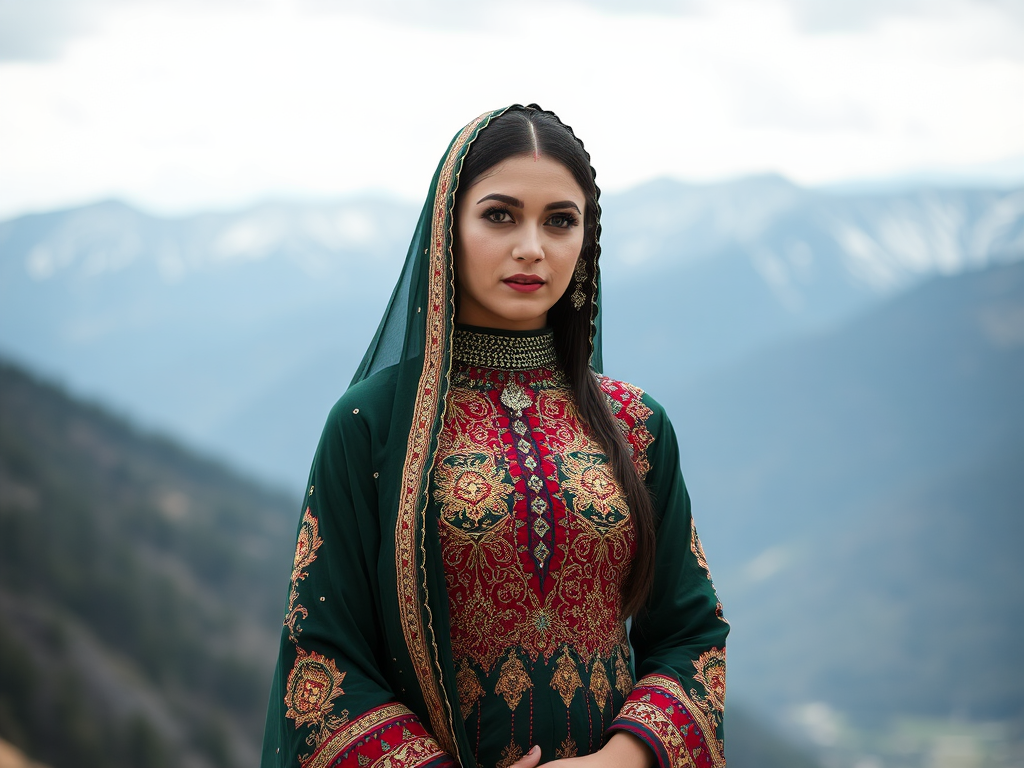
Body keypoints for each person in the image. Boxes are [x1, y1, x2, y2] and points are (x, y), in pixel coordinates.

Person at [260, 105, 729, 768]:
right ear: (446, 228)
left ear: (586, 241)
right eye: (500, 215)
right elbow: (321, 662)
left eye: (560, 221)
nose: (532, 247)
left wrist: (619, 761)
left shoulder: (636, 426)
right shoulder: (370, 425)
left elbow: (691, 634)